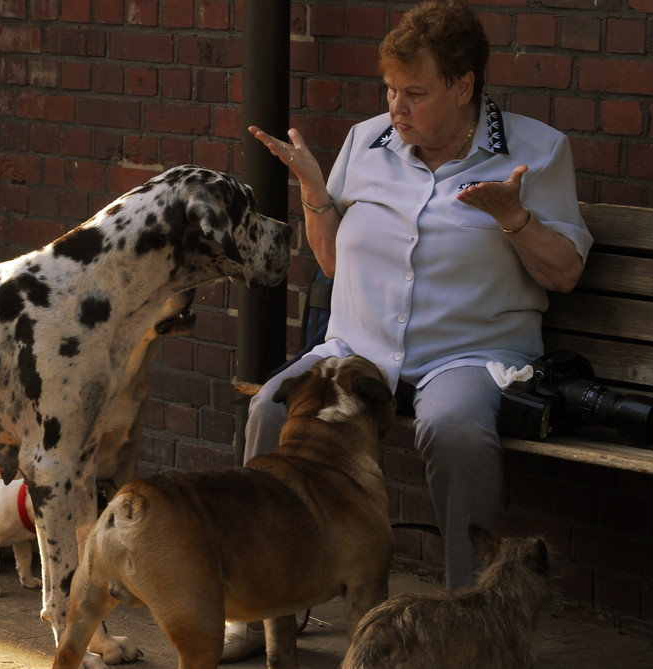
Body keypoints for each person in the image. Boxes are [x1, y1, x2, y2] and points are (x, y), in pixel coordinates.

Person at [221, 0, 592, 661]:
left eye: (415, 93)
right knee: (269, 410)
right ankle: (262, 605)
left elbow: (563, 272)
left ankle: (462, 617)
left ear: (463, 86)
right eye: (390, 89)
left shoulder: (537, 152)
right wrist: (314, 193)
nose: (397, 108)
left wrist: (513, 217)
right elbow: (335, 262)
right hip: (359, 346)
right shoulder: (367, 142)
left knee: (454, 430)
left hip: (471, 350)